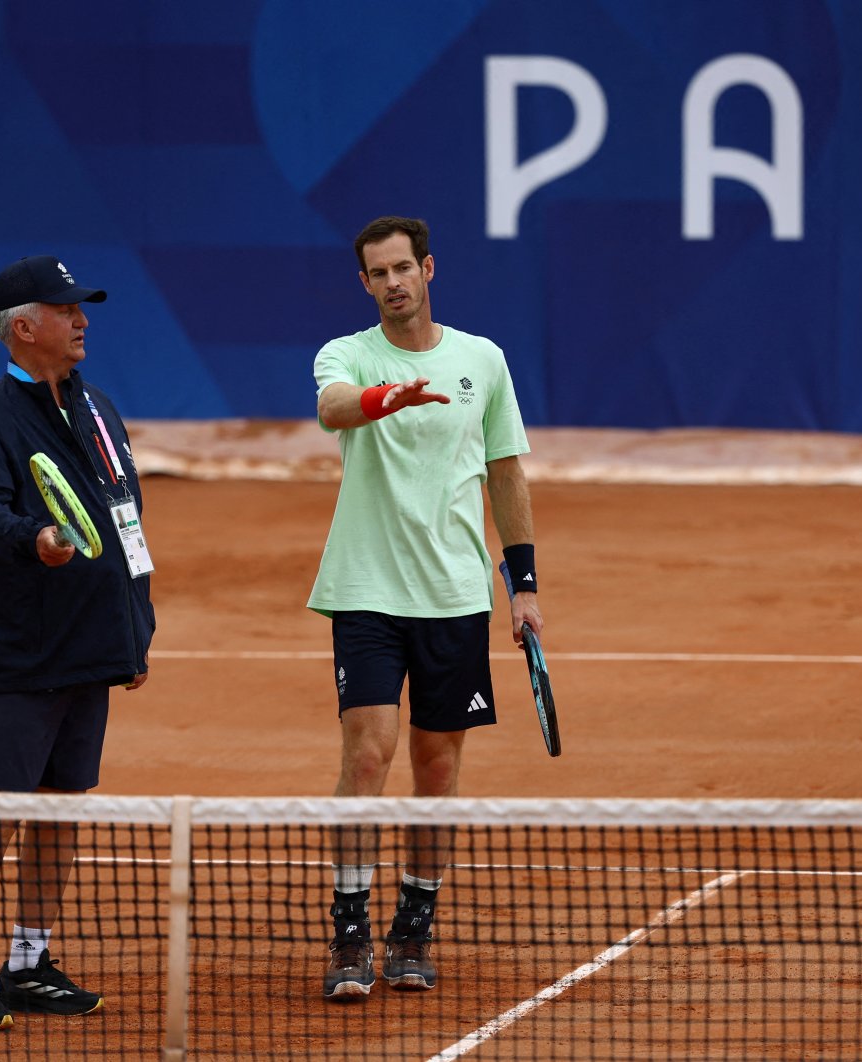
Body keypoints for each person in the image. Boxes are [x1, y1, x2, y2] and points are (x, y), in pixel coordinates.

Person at [308, 216, 542, 1000]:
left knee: (436, 767)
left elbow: (506, 473)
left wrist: (525, 586)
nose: (394, 282)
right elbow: (334, 409)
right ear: (365, 283)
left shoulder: (484, 360)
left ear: (429, 268)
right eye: (379, 273)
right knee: (367, 754)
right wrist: (383, 398)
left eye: (404, 267)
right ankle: (349, 932)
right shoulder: (347, 355)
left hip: (454, 595)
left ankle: (413, 926)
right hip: (367, 589)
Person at [0, 255, 156, 1033]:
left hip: (91, 647)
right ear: (24, 329)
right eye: (65, 310)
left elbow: (127, 519)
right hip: (18, 654)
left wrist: (135, 630)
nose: (81, 319)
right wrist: (37, 539)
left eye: (81, 307)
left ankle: (28, 960)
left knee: (61, 807)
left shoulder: (100, 411)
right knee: (0, 808)